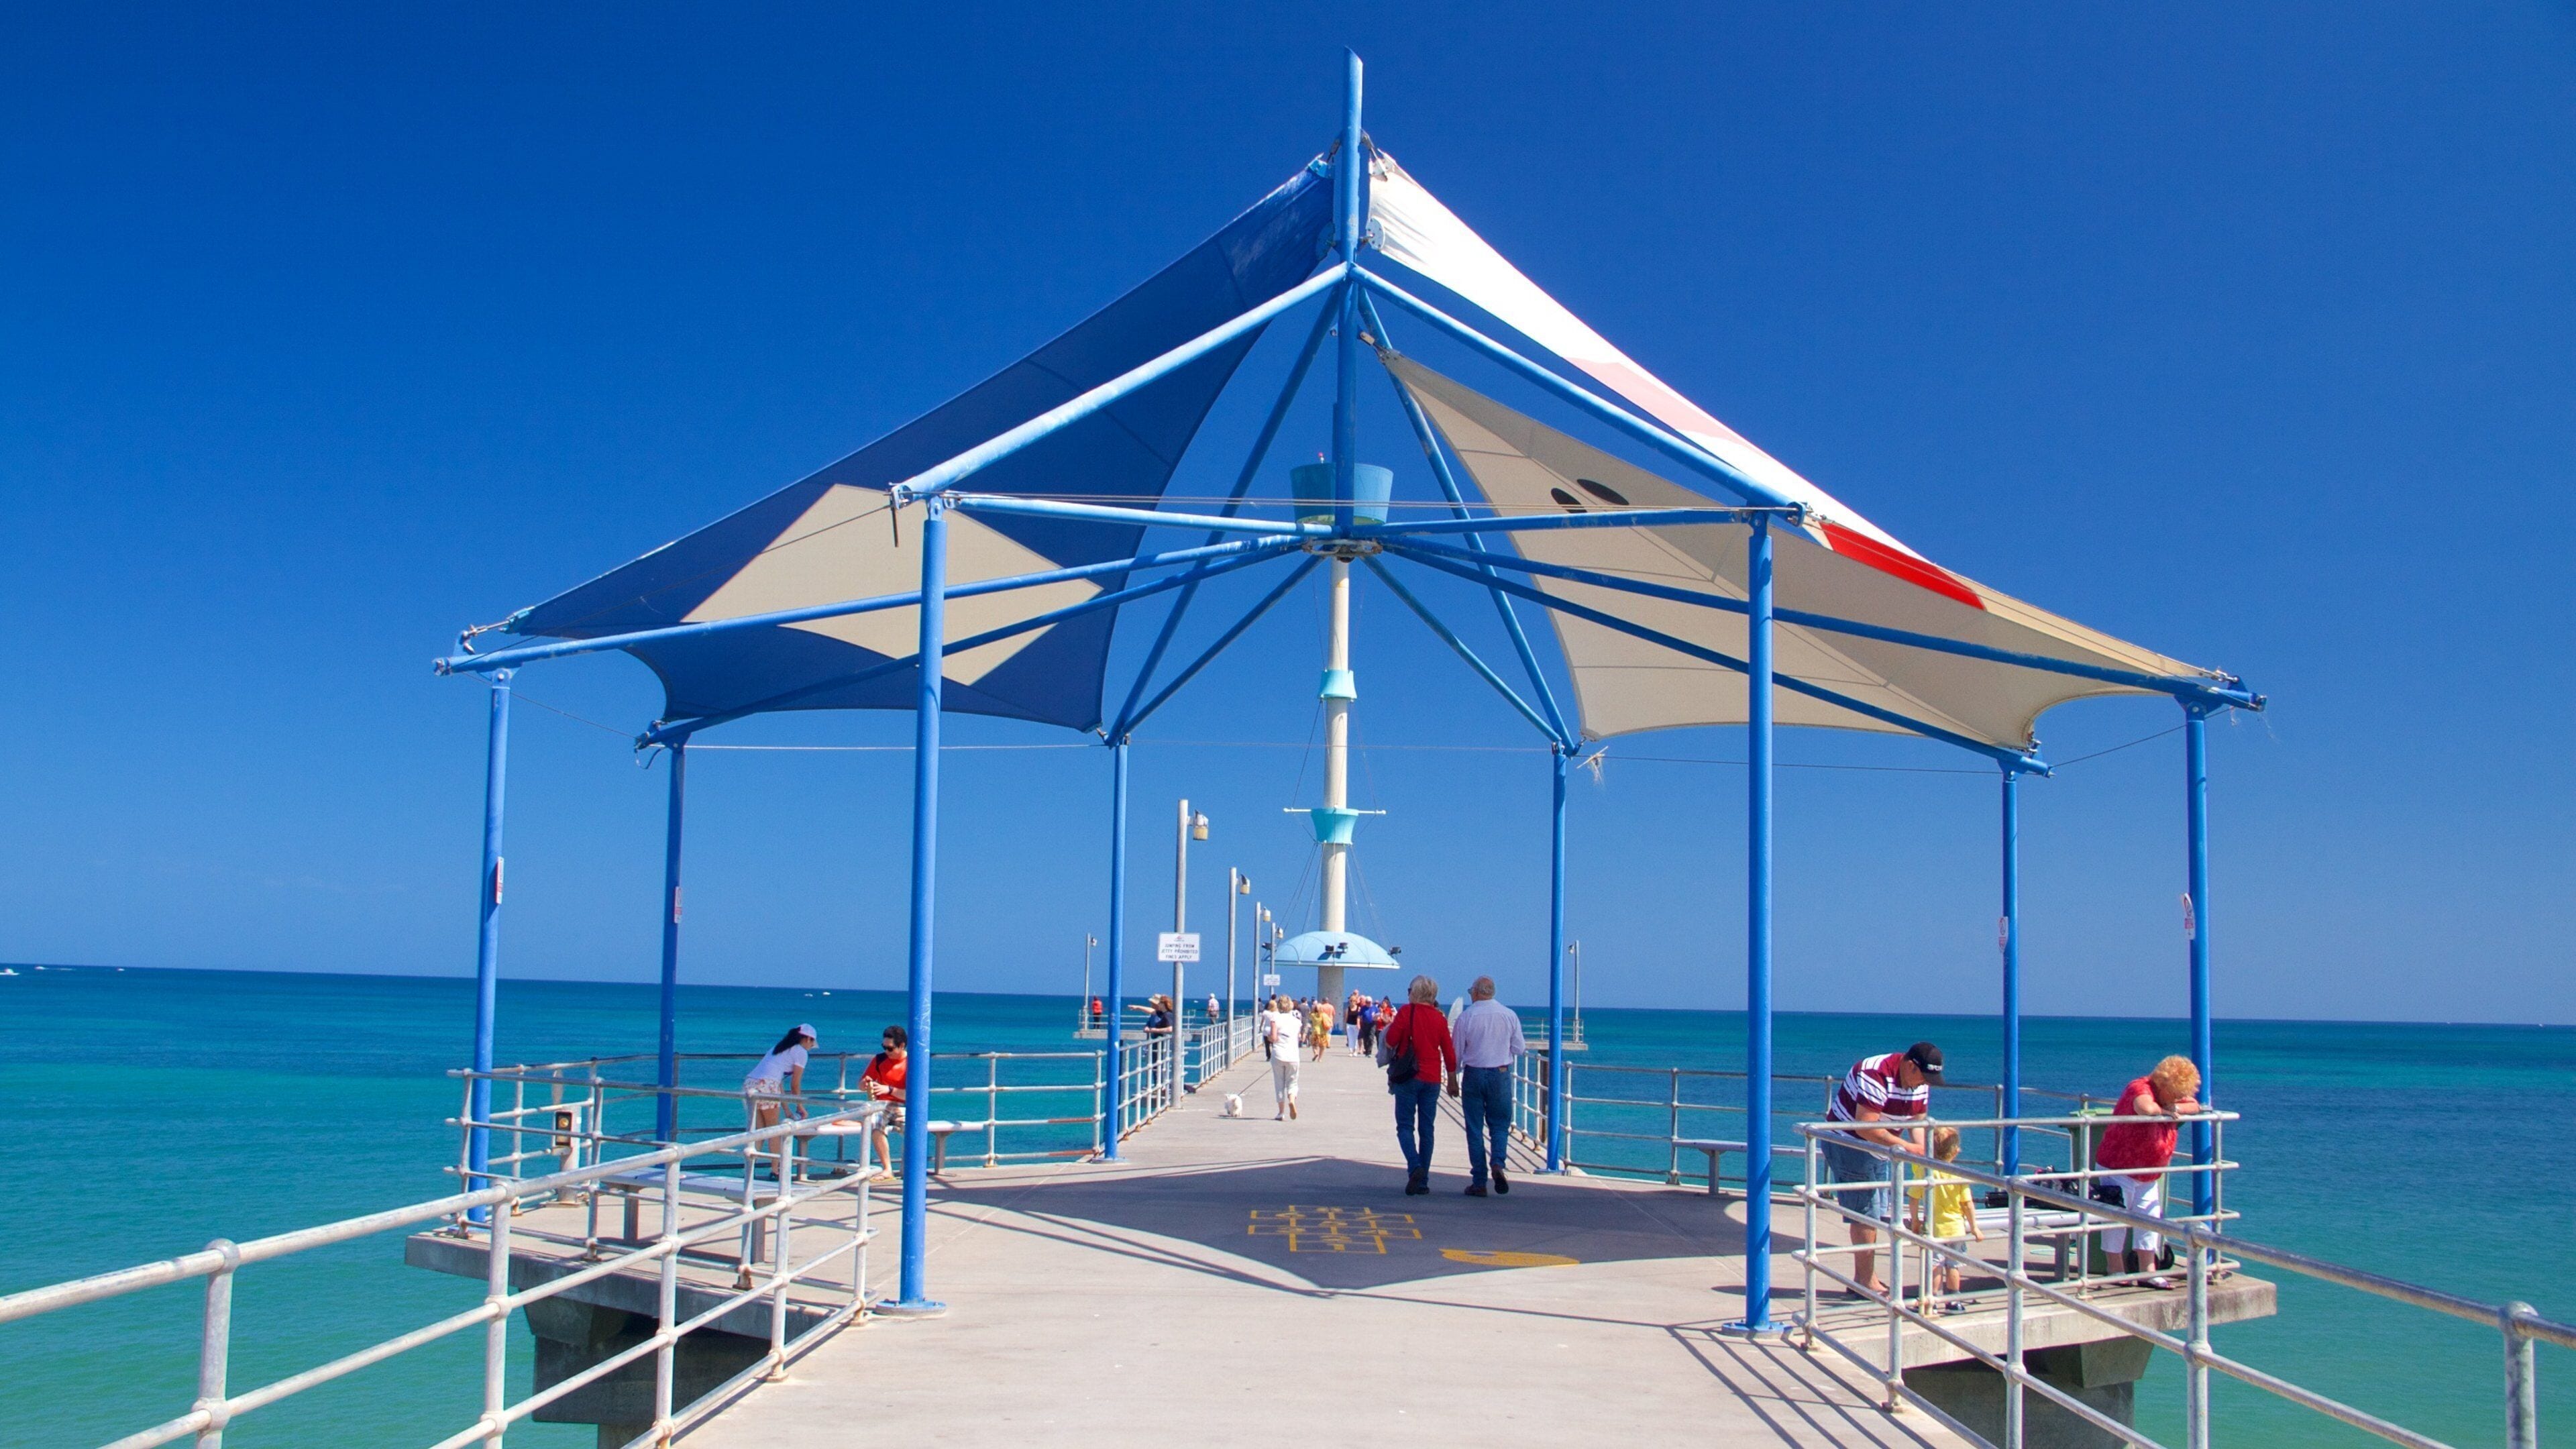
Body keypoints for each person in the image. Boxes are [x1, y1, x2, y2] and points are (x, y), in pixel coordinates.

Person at [1819, 1041, 1944, 1297]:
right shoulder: (1874, 1072)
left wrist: (1922, 1152)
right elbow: (1866, 1126)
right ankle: (1865, 1281)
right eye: (1923, 1077)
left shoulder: (1920, 1084)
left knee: (1878, 1208)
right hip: (1850, 1143)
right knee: (1866, 1212)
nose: (1924, 1084)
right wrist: (1906, 1148)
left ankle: (1865, 1277)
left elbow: (1917, 1122)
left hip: (1883, 1148)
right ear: (1910, 1066)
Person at [2094, 1055, 2202, 1289]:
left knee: (2150, 1218)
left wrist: (2175, 1106)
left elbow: (2194, 1105)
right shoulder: (2139, 1087)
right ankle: (2115, 1269)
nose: (2175, 1099)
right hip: (2119, 1166)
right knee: (2117, 1218)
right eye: (2172, 1094)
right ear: (2163, 1085)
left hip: (2149, 1172)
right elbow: (2146, 1108)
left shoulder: (2170, 1095)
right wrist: (2166, 1109)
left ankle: (2148, 1270)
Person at [1381, 975, 1459, 1195]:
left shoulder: (1407, 1012)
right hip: (1432, 1079)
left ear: (1414, 993)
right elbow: (1449, 1052)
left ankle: (1414, 1166)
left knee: (1405, 1127)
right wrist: (1452, 1080)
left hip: (1408, 1077)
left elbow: (1391, 1040)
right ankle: (1423, 1180)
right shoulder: (1439, 1018)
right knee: (1427, 1130)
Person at [1450, 976, 1524, 1197]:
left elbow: (1456, 1053)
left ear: (1476, 992)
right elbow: (1519, 1048)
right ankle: (1498, 1163)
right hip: (1500, 1073)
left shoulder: (1466, 1017)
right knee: (1500, 1125)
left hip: (1473, 1073)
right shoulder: (1509, 1015)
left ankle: (1479, 1182)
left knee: (1474, 1128)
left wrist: (1452, 1079)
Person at [1909, 1126, 1984, 1315]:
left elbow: (1914, 1198)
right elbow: (1967, 1204)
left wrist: (1915, 1221)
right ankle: (1953, 1300)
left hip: (1935, 1228)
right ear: (1955, 1151)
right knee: (1954, 1266)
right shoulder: (1958, 1174)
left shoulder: (1926, 1172)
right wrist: (1974, 1227)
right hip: (1957, 1228)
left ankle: (1931, 1300)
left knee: (1935, 1266)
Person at [743, 1024, 816, 1184]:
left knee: (758, 1131)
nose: (812, 1046)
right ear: (807, 1038)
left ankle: (750, 1170)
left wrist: (787, 1110)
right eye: (812, 1042)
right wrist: (800, 1106)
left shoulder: (780, 1047)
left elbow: (778, 1083)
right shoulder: (801, 1052)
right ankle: (775, 1170)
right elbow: (794, 1084)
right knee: (774, 1130)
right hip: (768, 1086)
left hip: (751, 1084)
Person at [857, 1026, 908, 1179]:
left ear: (901, 1046)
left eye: (890, 1048)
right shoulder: (879, 1060)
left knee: (912, 1126)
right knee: (874, 1123)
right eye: (884, 1047)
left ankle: (907, 1168)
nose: (887, 1051)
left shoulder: (912, 1063)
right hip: (882, 1105)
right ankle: (887, 1168)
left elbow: (913, 1095)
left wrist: (889, 1090)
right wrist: (865, 1084)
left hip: (904, 1105)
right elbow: (860, 1084)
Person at [1265, 995, 1304, 1120]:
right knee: (1293, 1082)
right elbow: (1298, 1036)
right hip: (1293, 1055)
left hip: (1278, 1054)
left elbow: (1274, 1038)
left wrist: (1270, 1038)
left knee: (1279, 1083)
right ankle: (1292, 1100)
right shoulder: (1297, 1021)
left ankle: (1281, 1113)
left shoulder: (1275, 1018)